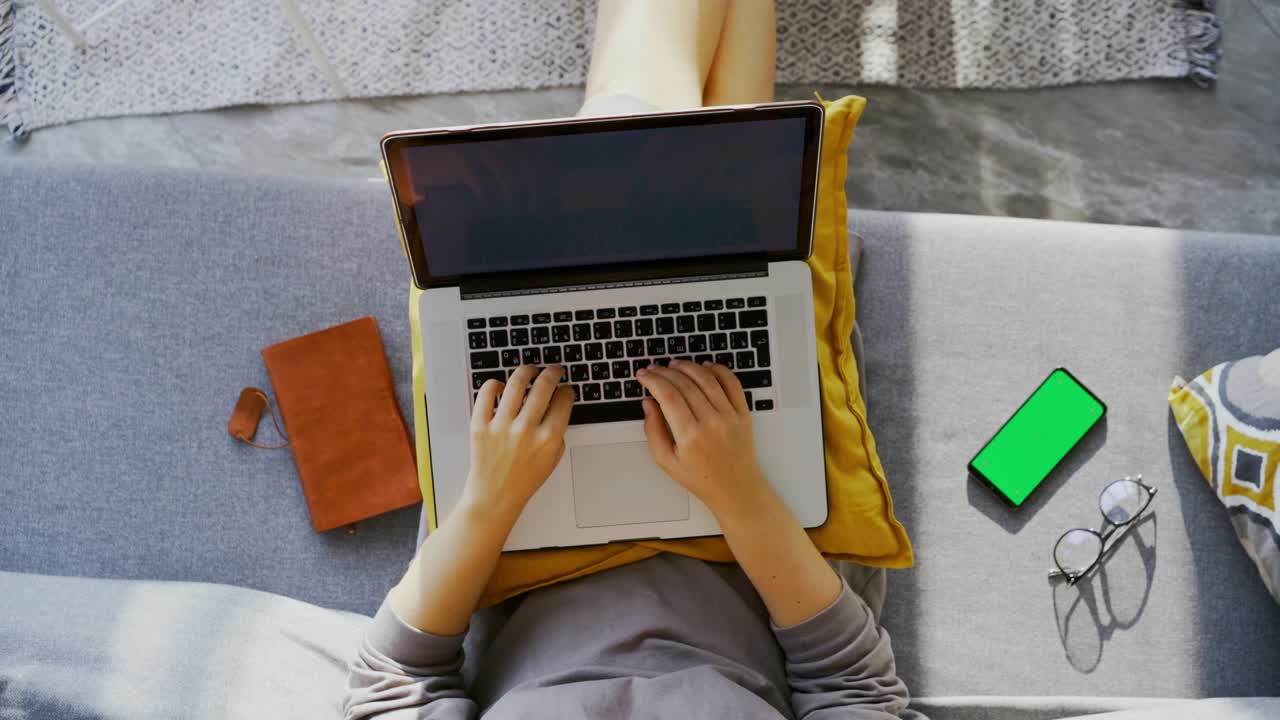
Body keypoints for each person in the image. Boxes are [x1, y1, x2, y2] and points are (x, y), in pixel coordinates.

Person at [344, 2, 910, 718]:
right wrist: (736, 492)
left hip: (516, 510)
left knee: (653, 124)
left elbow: (392, 683)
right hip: (762, 538)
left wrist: (491, 500)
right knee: (688, 156)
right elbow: (852, 688)